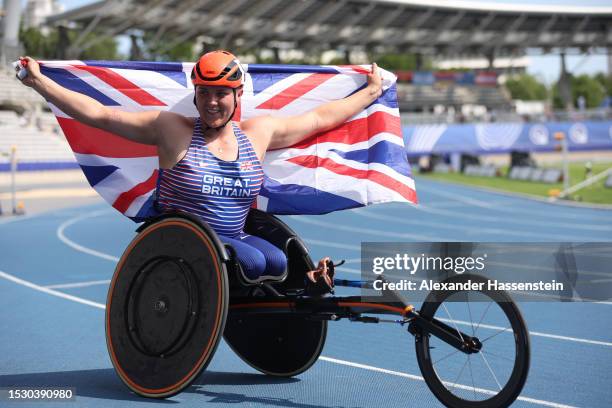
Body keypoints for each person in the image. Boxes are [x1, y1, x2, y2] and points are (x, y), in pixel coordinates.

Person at [17, 50, 382, 285]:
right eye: (204, 92)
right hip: (186, 241)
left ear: (238, 96)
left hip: (234, 238)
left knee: (275, 258)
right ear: (194, 94)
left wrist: (370, 93)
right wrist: (40, 82)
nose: (211, 102)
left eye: (220, 93)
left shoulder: (259, 133)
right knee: (255, 261)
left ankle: (306, 287)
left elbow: (318, 118)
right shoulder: (172, 129)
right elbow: (102, 115)